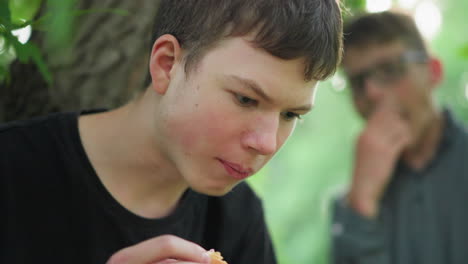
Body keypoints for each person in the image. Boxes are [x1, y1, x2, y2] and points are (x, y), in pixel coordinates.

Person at [1, 1, 343, 263]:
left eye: (290, 114)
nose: (266, 143)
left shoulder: (239, 220)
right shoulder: (13, 170)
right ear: (166, 64)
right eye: (246, 99)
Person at [331, 10, 468, 264]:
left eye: (390, 69)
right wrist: (362, 203)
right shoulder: (347, 205)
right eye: (358, 82)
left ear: (433, 72)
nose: (371, 92)